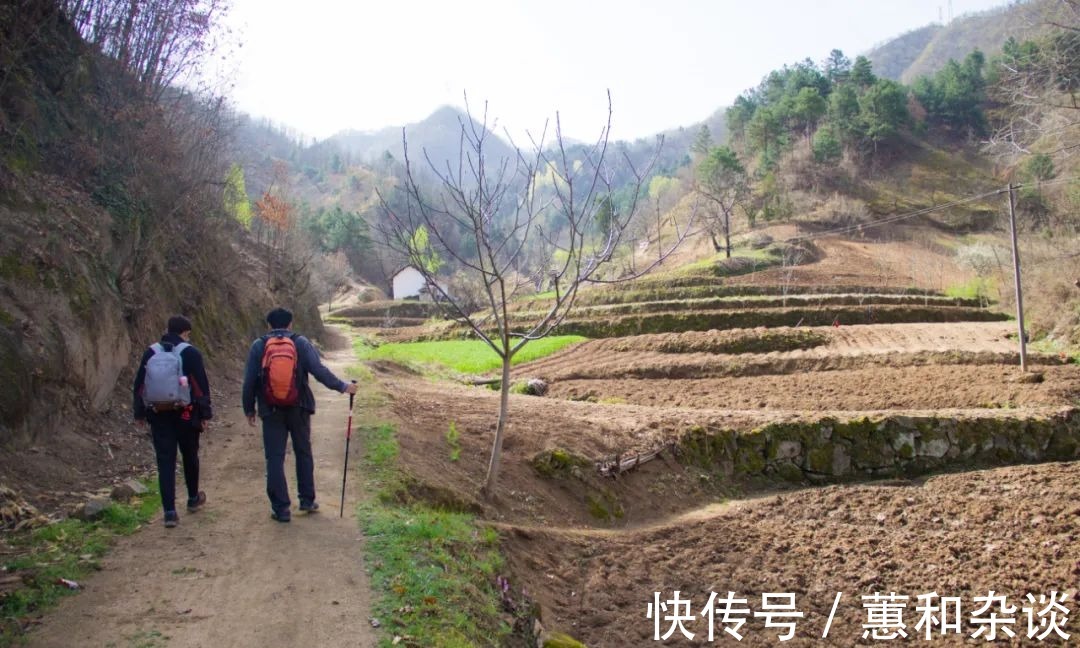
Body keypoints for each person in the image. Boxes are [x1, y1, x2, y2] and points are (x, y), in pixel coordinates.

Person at [242, 307, 357, 522]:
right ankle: (306, 499)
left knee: (274, 457)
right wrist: (342, 386)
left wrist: (249, 408)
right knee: (303, 452)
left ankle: (281, 509)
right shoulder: (300, 343)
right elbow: (318, 370)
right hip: (299, 407)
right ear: (290, 324)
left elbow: (249, 381)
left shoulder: (259, 346)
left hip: (270, 409)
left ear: (268, 325)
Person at [133, 315, 212, 528]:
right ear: (185, 332)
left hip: (158, 414)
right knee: (190, 456)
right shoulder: (191, 352)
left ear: (167, 329)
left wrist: (139, 413)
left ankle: (169, 512)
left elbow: (140, 384)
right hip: (186, 413)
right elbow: (200, 386)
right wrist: (205, 414)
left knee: (165, 462)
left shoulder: (151, 352)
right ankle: (193, 498)